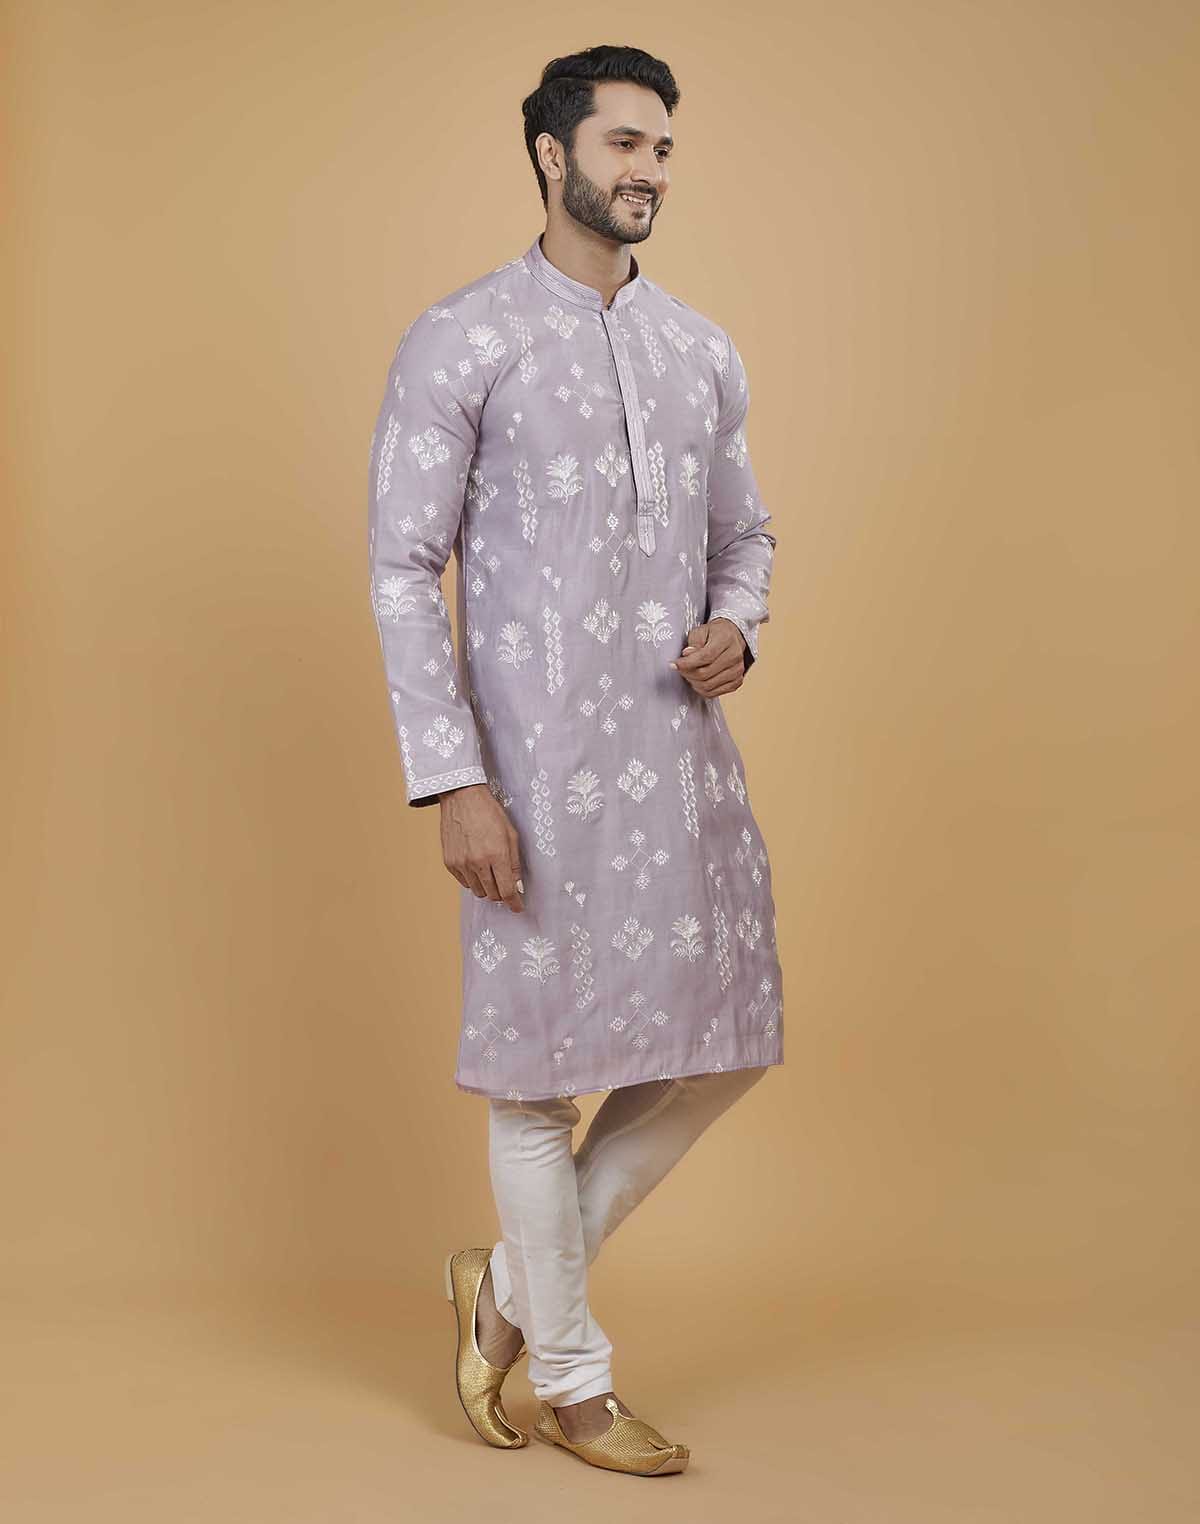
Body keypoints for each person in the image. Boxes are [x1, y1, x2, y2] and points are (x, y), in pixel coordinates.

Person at [367, 44, 785, 1477]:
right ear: (553, 155)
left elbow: (745, 536)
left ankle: (503, 1293)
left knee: (726, 1042)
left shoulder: (700, 351)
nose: (648, 170)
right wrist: (454, 779)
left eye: (662, 147)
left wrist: (738, 625)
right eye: (622, 144)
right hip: (530, 778)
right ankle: (573, 1380)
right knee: (537, 1083)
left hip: (680, 767)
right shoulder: (463, 339)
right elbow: (401, 566)